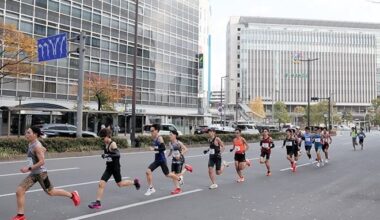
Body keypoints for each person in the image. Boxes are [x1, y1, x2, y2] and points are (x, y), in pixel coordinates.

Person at [12, 126, 81, 220]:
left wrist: (28, 168)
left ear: (35, 134)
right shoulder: (31, 143)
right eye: (26, 132)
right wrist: (42, 150)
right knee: (19, 191)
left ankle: (73, 195)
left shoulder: (36, 146)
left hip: (41, 174)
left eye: (28, 133)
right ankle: (21, 216)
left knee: (51, 192)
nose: (26, 134)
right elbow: (42, 150)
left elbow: (42, 162)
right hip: (33, 174)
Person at [88, 128, 140, 209]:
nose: (102, 139)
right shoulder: (105, 144)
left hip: (115, 168)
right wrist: (105, 155)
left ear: (107, 136)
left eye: (103, 138)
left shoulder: (113, 144)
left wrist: (107, 155)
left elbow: (118, 154)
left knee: (120, 184)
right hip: (109, 168)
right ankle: (98, 203)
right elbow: (109, 155)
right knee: (101, 184)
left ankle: (134, 182)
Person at [144, 124, 182, 196]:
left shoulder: (159, 138)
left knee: (167, 174)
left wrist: (154, 149)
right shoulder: (155, 138)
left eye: (152, 131)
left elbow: (163, 148)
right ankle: (151, 188)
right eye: (150, 131)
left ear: (157, 131)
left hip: (161, 160)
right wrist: (155, 148)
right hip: (157, 160)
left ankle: (179, 179)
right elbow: (159, 149)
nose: (151, 132)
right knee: (148, 172)